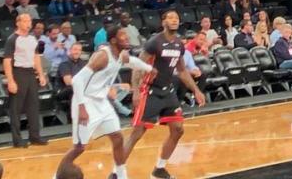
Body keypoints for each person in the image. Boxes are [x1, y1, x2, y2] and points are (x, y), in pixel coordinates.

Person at [55, 26, 152, 179]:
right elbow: (77, 80)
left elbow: (132, 61)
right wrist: (81, 108)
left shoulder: (121, 54)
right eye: (122, 36)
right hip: (85, 101)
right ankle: (56, 176)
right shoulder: (103, 56)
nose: (126, 38)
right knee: (79, 147)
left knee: (118, 138)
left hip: (101, 102)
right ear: (113, 40)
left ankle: (120, 175)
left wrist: (148, 68)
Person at [122, 10, 206, 179]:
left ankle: (159, 169)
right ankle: (116, 172)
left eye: (177, 17)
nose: (174, 20)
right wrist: (136, 90)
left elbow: (182, 70)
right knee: (137, 133)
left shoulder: (178, 44)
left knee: (178, 129)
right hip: (149, 90)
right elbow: (138, 65)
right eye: (171, 18)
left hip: (167, 91)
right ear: (163, 22)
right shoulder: (154, 42)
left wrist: (196, 90)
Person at [1, 13, 48, 147]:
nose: (28, 23)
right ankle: (17, 140)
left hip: (30, 73)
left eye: (30, 21)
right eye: (25, 20)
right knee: (16, 108)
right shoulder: (12, 39)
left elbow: (36, 57)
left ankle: (35, 136)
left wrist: (41, 74)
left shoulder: (33, 38)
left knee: (33, 106)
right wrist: (10, 81)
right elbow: (7, 61)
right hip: (18, 72)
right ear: (18, 23)